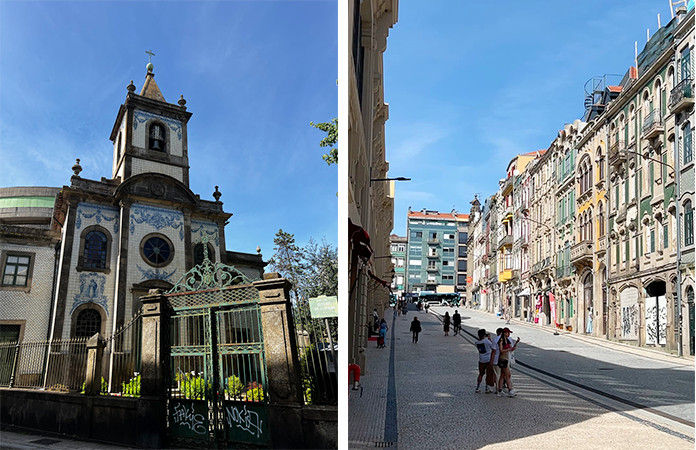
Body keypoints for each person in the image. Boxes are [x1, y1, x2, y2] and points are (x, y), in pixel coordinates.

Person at [496, 327, 520, 397]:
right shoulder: (501, 340)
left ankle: (499, 391)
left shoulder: (507, 340)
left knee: (502, 375)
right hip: (502, 359)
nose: (509, 334)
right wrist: (508, 349)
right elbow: (501, 350)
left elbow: (511, 349)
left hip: (506, 359)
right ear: (505, 333)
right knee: (508, 375)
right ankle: (510, 390)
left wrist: (516, 343)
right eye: (508, 333)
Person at [474, 329, 497, 393]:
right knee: (489, 374)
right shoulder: (486, 341)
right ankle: (487, 388)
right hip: (488, 359)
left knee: (481, 374)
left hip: (481, 359)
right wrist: (489, 339)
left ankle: (477, 387)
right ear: (484, 335)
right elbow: (493, 346)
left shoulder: (476, 342)